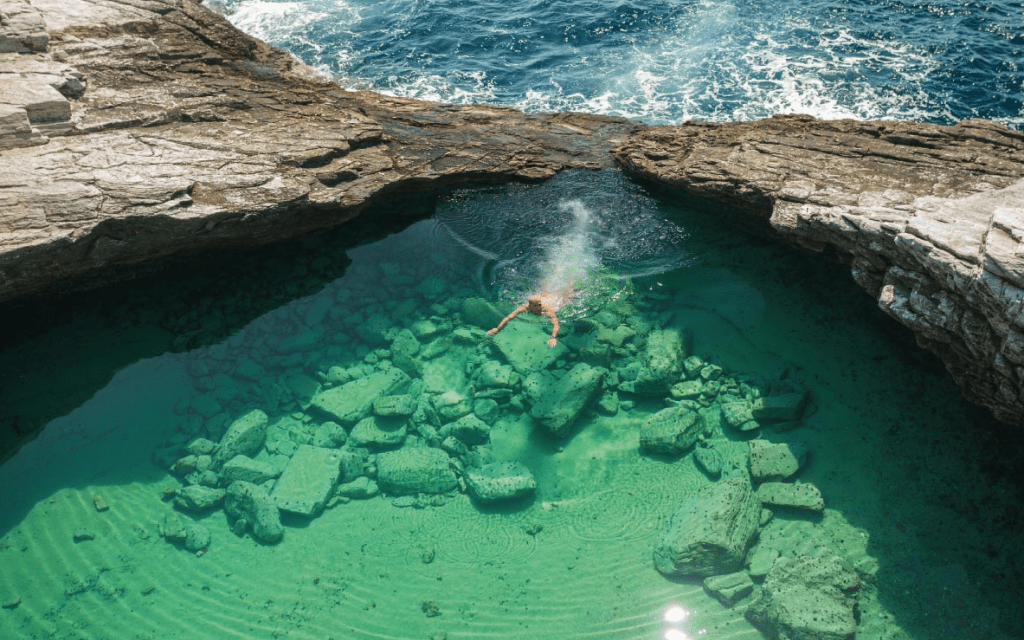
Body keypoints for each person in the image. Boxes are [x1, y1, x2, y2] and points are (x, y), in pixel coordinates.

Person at [488, 295, 561, 348]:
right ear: (530, 305)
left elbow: (556, 324)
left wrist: (553, 337)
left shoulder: (547, 310)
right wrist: (498, 328)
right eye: (535, 306)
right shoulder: (524, 308)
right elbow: (509, 317)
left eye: (539, 305)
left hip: (554, 300)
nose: (538, 308)